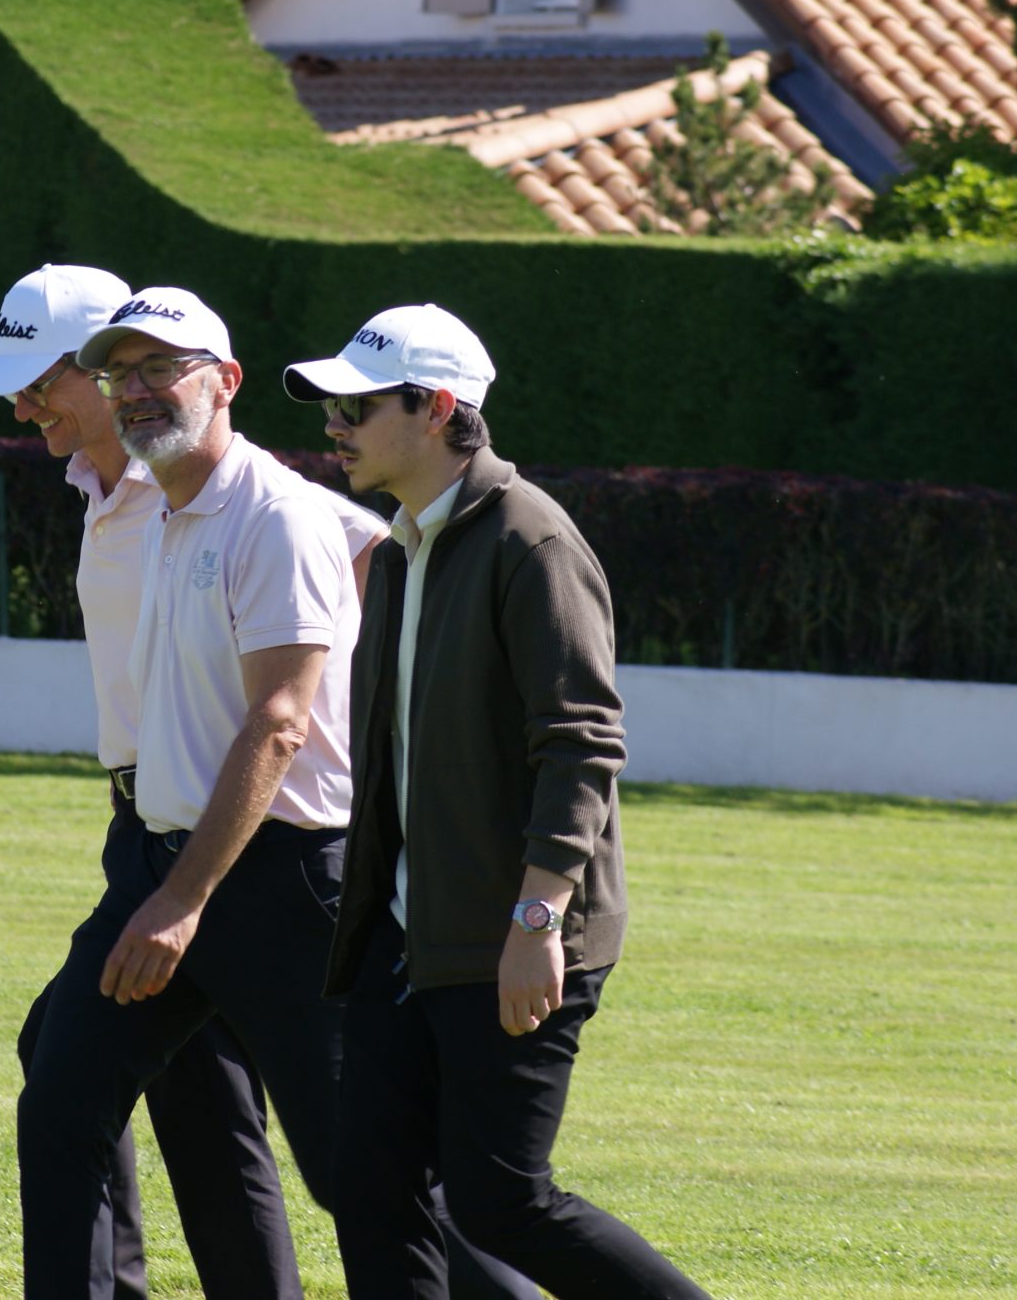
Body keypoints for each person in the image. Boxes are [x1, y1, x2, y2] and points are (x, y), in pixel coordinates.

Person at [285, 304, 719, 1300]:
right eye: (332, 408)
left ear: (437, 409)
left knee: (500, 1201)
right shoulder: (401, 550)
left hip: (513, 937)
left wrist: (537, 921)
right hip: (409, 939)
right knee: (369, 1187)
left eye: (357, 406)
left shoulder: (532, 540)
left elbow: (581, 745)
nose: (334, 426)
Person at [13, 284, 374, 1300]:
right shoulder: (167, 510)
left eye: (161, 369)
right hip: (167, 861)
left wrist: (180, 900)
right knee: (63, 1093)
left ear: (226, 382)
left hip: (283, 882)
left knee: (361, 1173)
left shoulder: (278, 514)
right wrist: (162, 882)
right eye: (118, 373)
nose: (136, 390)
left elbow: (280, 723)